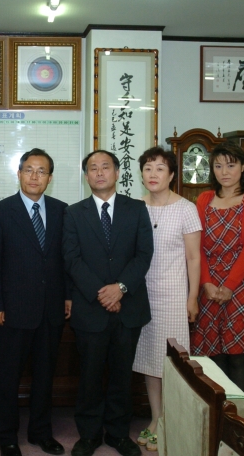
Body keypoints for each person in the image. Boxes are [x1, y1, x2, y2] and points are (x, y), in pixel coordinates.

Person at [63, 150, 154, 456]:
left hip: (129, 308)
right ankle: (88, 434)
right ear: (86, 175)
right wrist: (103, 293)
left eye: (105, 167)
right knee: (89, 375)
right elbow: (71, 259)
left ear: (117, 173)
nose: (99, 172)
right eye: (92, 168)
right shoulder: (74, 213)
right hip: (90, 307)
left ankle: (117, 433)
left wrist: (121, 288)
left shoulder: (137, 209)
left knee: (121, 374)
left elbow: (143, 255)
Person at [0, 149, 70, 456]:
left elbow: (66, 260)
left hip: (51, 309)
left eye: (42, 171)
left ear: (50, 177)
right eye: (29, 170)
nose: (35, 176)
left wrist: (68, 296)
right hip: (13, 309)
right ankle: (7, 435)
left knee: (45, 376)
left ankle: (40, 432)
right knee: (7, 376)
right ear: (18, 174)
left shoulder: (62, 210)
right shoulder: (0, 211)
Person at [131, 147, 201, 452]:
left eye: (160, 168)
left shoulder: (186, 208)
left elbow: (194, 258)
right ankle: (156, 418)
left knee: (171, 362)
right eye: (148, 168)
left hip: (173, 295)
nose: (153, 174)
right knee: (149, 360)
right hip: (142, 294)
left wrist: (193, 297)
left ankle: (172, 420)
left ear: (172, 174)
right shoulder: (135, 207)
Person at [190, 142, 244, 394]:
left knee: (236, 353)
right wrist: (206, 283)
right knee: (213, 352)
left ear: (243, 167)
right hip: (209, 282)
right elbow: (196, 245)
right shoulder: (203, 199)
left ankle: (239, 418)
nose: (224, 171)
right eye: (218, 165)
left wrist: (229, 286)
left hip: (242, 284)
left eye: (231, 165)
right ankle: (217, 416)